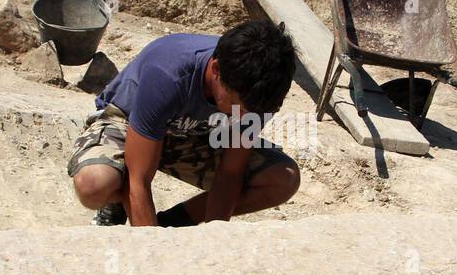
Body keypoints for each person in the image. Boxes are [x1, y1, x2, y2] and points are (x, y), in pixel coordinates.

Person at [68, 18, 301, 227]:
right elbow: (138, 178)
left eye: (251, 113)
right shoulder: (169, 74)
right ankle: (115, 200)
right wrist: (154, 249)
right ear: (216, 70)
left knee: (282, 179)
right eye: (236, 106)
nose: (242, 118)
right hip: (128, 124)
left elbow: (230, 172)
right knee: (94, 184)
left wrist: (210, 237)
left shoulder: (260, 93)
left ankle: (175, 221)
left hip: (195, 134)